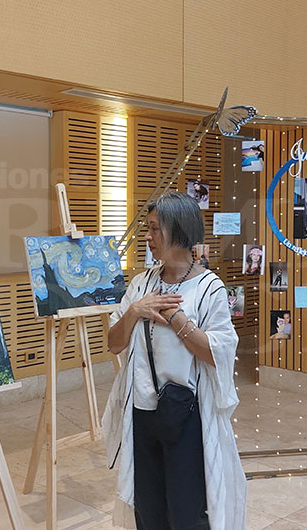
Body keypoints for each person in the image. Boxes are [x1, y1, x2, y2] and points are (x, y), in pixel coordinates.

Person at [103, 191, 245, 529]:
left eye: (155, 229)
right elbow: (113, 343)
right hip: (141, 412)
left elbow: (219, 352)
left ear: (179, 231)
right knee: (148, 509)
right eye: (147, 229)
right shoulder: (141, 284)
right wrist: (135, 311)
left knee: (186, 511)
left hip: (186, 415)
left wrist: (178, 319)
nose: (148, 237)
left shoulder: (209, 288)